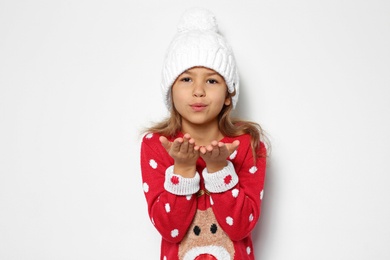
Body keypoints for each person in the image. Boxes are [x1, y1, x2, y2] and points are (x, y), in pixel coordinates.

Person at [140, 7, 268, 260]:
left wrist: (219, 169)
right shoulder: (157, 144)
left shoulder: (248, 144)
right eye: (186, 79)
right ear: (170, 91)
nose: (198, 91)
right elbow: (169, 230)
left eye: (211, 80)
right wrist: (184, 169)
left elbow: (241, 227)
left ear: (229, 95)